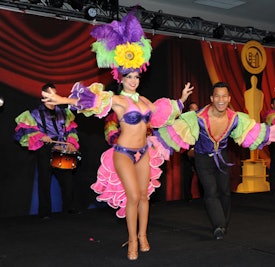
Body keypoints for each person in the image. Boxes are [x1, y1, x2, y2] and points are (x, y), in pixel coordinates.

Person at [41, 12, 194, 261]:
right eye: (128, 76)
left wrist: (182, 101)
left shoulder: (145, 101)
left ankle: (143, 236)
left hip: (144, 152)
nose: (133, 80)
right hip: (123, 153)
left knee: (145, 196)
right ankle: (132, 240)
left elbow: (164, 112)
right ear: (120, 77)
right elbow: (90, 101)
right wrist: (62, 99)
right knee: (133, 196)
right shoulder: (118, 100)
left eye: (136, 76)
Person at [192, 82, 275, 240]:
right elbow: (180, 129)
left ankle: (223, 223)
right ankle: (218, 225)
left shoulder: (235, 118)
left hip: (222, 156)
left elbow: (252, 129)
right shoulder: (199, 117)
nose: (221, 99)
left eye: (224, 96)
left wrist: (272, 131)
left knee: (224, 191)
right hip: (202, 157)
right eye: (217, 96)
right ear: (211, 98)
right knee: (211, 191)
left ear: (229, 98)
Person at [14, 83, 80, 219]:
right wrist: (41, 136)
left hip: (61, 147)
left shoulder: (63, 112)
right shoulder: (35, 113)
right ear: (43, 96)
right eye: (49, 94)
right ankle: (45, 213)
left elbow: (71, 129)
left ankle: (69, 209)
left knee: (67, 180)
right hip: (45, 148)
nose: (52, 97)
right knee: (44, 180)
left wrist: (71, 143)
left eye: (54, 94)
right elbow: (26, 128)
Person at [181, 102, 199, 201]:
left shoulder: (201, 121)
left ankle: (204, 197)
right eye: (193, 109)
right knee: (188, 175)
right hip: (187, 151)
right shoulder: (184, 122)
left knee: (202, 174)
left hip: (199, 151)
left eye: (196, 109)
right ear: (188, 110)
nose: (195, 111)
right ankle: (187, 198)